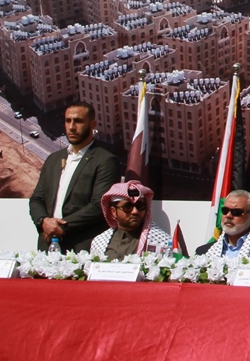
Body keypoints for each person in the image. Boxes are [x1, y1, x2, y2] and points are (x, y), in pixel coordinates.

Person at [28, 102, 121, 253]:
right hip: (48, 245)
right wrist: (43, 222)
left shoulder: (105, 160)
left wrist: (60, 227)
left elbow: (99, 205)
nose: (71, 127)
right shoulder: (53, 159)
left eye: (78, 121)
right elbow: (37, 199)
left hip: (82, 248)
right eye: (68, 121)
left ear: (92, 125)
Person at [88, 180, 171, 259]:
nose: (135, 211)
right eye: (127, 207)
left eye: (140, 206)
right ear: (113, 211)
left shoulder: (162, 242)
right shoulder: (99, 242)